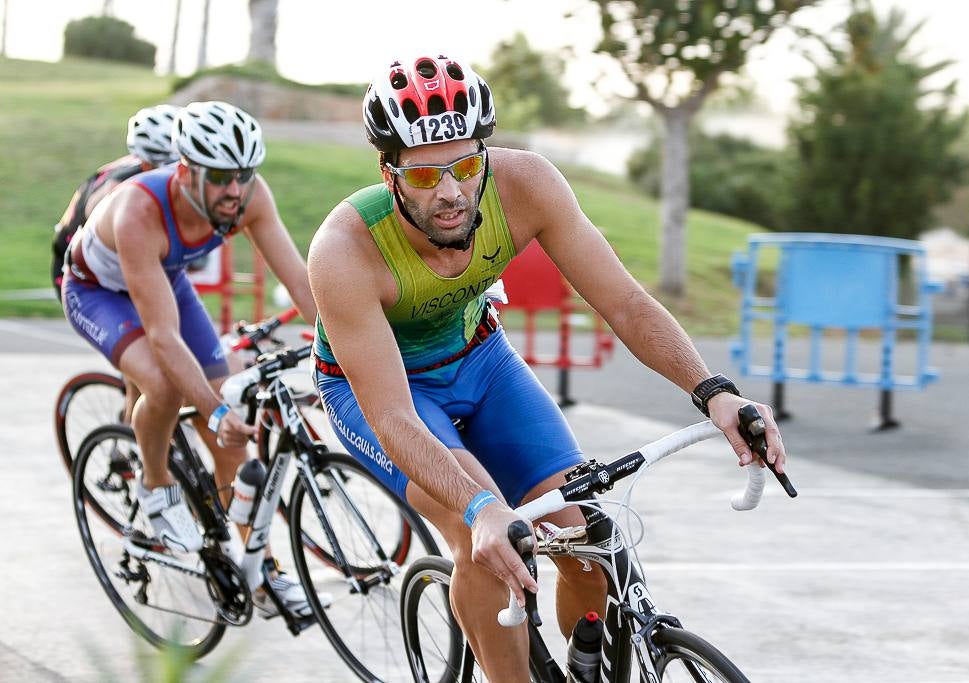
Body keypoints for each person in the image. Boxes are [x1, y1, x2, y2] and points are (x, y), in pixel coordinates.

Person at [307, 55, 788, 680]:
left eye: (466, 165)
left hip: (481, 358)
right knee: (484, 539)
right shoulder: (344, 250)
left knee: (583, 532)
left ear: (486, 153)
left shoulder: (526, 185)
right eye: (425, 173)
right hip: (382, 392)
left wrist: (715, 393)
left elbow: (625, 303)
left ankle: (586, 663)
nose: (450, 192)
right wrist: (483, 509)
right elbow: (394, 416)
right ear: (389, 172)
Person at [62, 100, 322, 618]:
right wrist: (216, 411)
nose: (235, 190)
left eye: (244, 176)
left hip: (165, 276)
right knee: (165, 386)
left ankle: (260, 567)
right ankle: (155, 484)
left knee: (228, 432)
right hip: (97, 292)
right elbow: (162, 337)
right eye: (222, 177)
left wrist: (338, 349)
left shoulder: (249, 196)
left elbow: (297, 278)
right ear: (186, 172)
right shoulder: (139, 209)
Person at [51, 104, 181, 297]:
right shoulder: (120, 185)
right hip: (77, 269)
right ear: (148, 163)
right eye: (172, 164)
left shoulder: (141, 167)